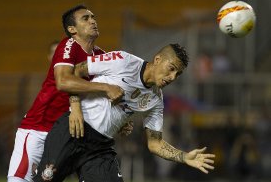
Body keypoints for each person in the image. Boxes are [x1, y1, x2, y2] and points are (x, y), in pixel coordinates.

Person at [33, 43, 215, 182]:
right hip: (72, 131)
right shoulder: (122, 60)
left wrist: (184, 157)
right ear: (158, 59)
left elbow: (155, 143)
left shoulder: (155, 100)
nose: (172, 77)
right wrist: (75, 107)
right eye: (172, 68)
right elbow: (77, 70)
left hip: (100, 147)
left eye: (178, 74)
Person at [7, 5, 132, 182]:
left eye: (93, 17)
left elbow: (108, 94)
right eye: (85, 18)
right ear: (72, 29)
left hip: (71, 135)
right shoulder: (68, 46)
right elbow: (63, 81)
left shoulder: (101, 56)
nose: (93, 21)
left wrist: (120, 117)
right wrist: (104, 89)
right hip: (40, 128)